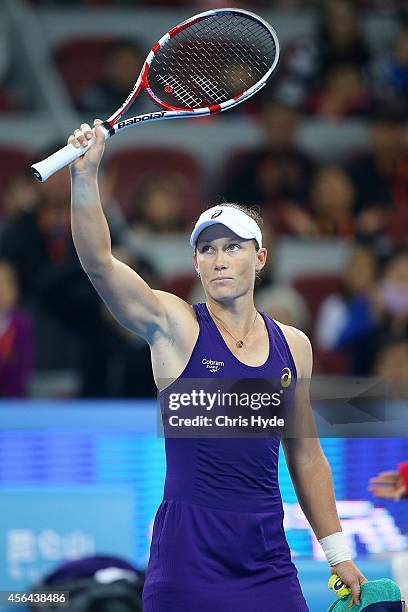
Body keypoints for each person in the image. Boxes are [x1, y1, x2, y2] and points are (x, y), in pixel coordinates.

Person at [65, 118, 368, 611]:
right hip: (188, 559)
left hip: (267, 559)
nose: (219, 258)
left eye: (233, 247)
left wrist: (337, 554)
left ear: (260, 258)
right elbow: (99, 262)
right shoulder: (175, 325)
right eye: (207, 249)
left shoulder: (294, 345)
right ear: (198, 264)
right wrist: (85, 178)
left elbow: (307, 455)